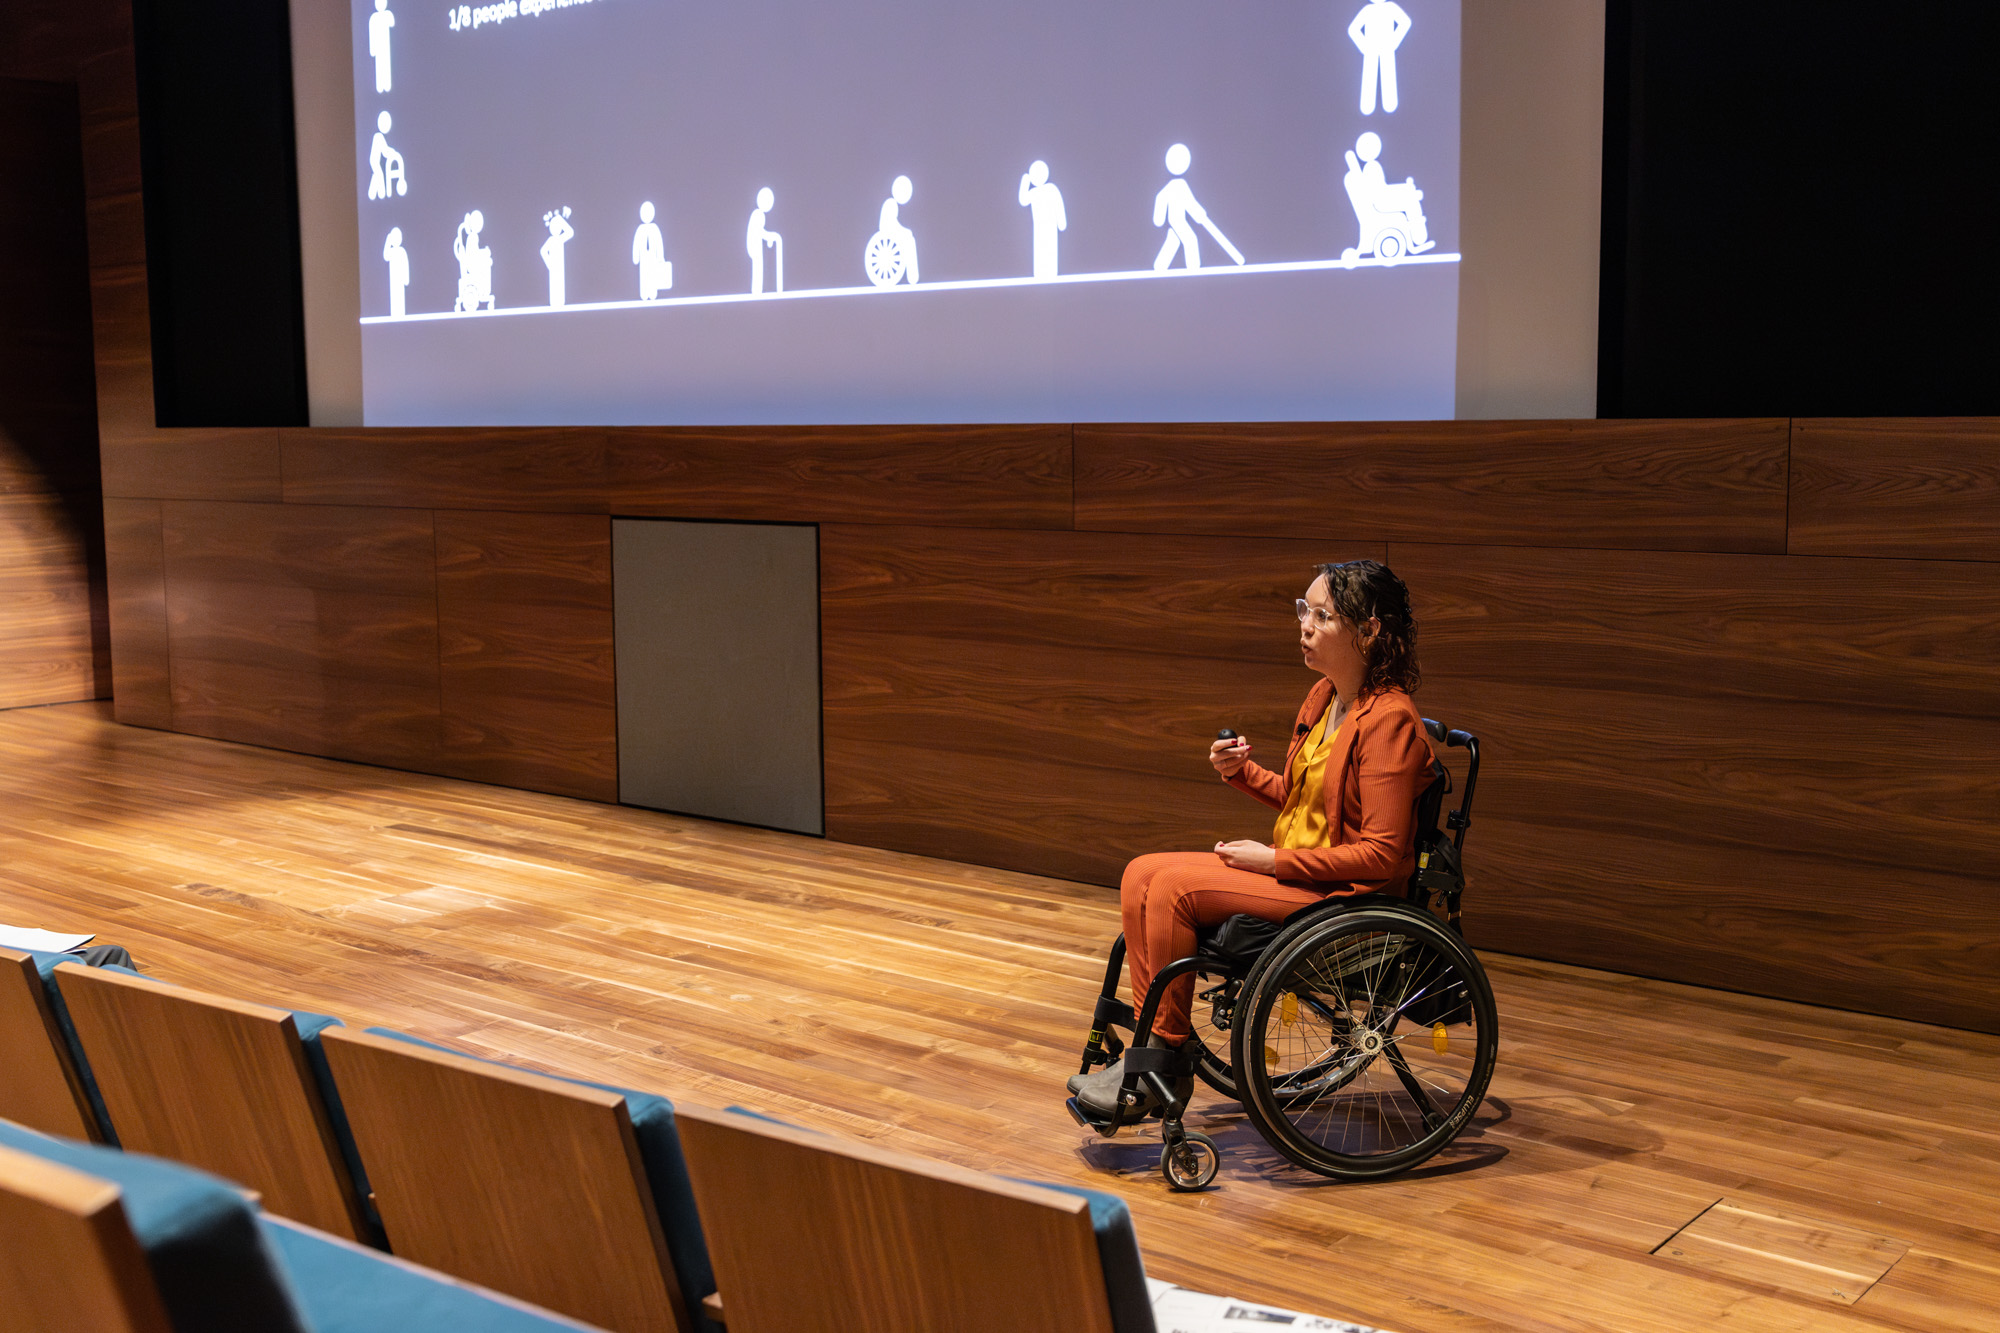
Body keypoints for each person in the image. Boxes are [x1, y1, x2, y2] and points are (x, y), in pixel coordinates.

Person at [1068, 559, 1435, 1116]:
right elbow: (1303, 796)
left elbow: (1381, 856)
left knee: (1173, 892)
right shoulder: (1323, 698)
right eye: (1302, 611)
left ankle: (1162, 1060)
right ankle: (1150, 1049)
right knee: (1141, 872)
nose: (1304, 625)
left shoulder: (1389, 721)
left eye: (1321, 615)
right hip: (1294, 872)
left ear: (1368, 630)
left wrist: (1271, 863)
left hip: (1343, 895)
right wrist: (1242, 772)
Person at [1017, 159, 1066, 279]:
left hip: (1050, 225)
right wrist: (1025, 181)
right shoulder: (1033, 192)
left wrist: (1061, 222)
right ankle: (1040, 274)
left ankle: (1051, 273)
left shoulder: (1051, 188)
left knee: (1050, 248)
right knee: (1040, 250)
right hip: (1039, 226)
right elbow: (1023, 200)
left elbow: (1058, 205)